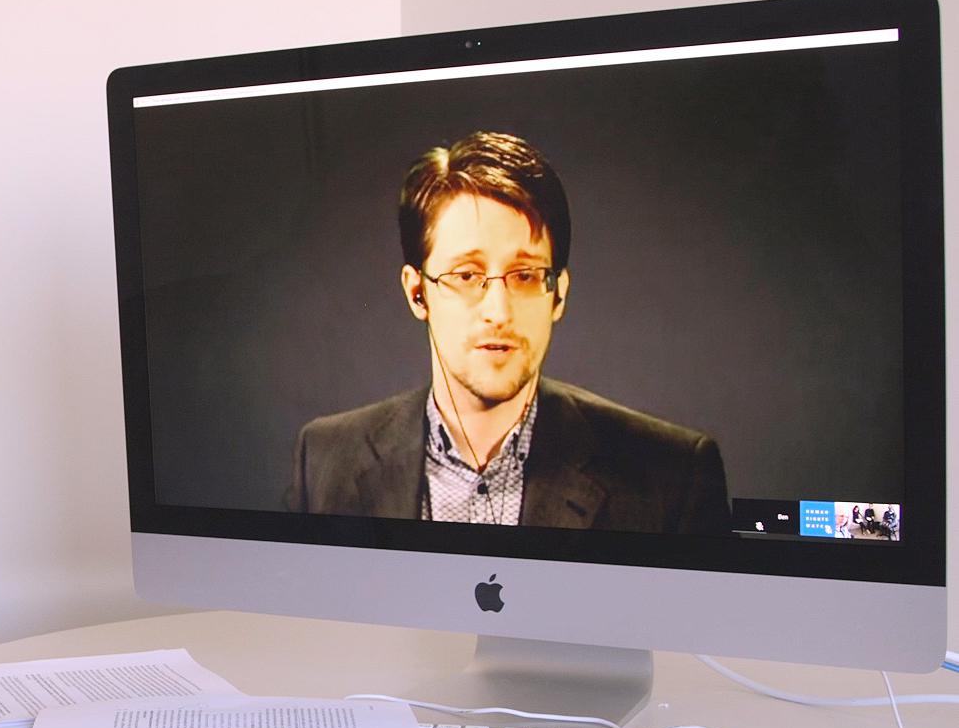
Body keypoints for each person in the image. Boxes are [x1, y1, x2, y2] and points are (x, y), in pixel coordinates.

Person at [285, 131, 731, 534]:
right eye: (466, 275)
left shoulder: (674, 477)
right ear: (418, 293)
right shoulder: (324, 458)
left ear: (558, 295)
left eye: (525, 276)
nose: (498, 312)